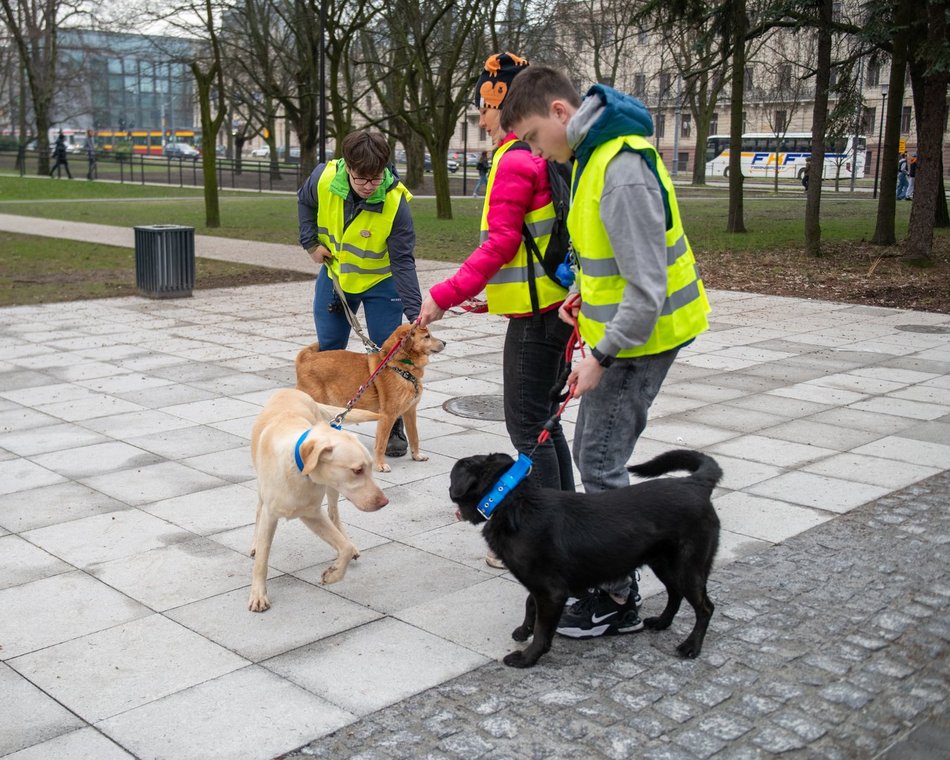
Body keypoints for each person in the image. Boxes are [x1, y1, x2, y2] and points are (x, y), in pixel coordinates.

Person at [503, 67, 711, 638]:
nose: (533, 150)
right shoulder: (592, 157)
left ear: (561, 114)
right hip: (622, 334)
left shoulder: (619, 170)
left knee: (598, 461)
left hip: (642, 340)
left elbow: (647, 291)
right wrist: (581, 294)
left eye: (530, 137)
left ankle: (617, 596)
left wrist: (601, 355)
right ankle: (613, 584)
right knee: (597, 454)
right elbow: (614, 264)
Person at [417, 52, 575, 569]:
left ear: (503, 101)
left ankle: (546, 539)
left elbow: (502, 244)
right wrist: (491, 296)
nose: (481, 119)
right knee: (545, 428)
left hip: (538, 319)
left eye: (484, 108)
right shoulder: (535, 158)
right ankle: (568, 520)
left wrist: (444, 295)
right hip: (551, 309)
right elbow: (528, 245)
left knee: (529, 428)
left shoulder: (513, 160)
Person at [297, 129, 422, 457]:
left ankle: (392, 421)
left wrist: (416, 313)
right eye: (361, 178)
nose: (370, 186)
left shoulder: (395, 203)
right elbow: (304, 203)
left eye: (376, 178)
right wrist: (310, 242)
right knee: (328, 353)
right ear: (347, 167)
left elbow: (404, 263)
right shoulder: (323, 179)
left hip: (383, 284)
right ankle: (324, 424)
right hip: (336, 277)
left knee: (390, 354)